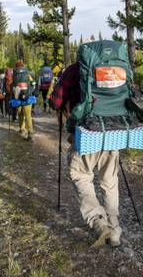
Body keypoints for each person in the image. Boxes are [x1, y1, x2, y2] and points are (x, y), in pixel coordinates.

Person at [50, 59, 122, 248]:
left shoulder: (73, 70)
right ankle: (115, 229)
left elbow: (55, 101)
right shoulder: (113, 68)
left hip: (86, 133)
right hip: (114, 131)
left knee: (81, 176)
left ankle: (99, 222)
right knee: (110, 180)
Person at [13, 60, 35, 140]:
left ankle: (22, 129)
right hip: (28, 98)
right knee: (28, 115)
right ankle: (30, 133)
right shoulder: (28, 74)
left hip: (18, 98)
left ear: (16, 66)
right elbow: (33, 84)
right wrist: (30, 92)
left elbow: (13, 86)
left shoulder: (14, 75)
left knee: (20, 114)